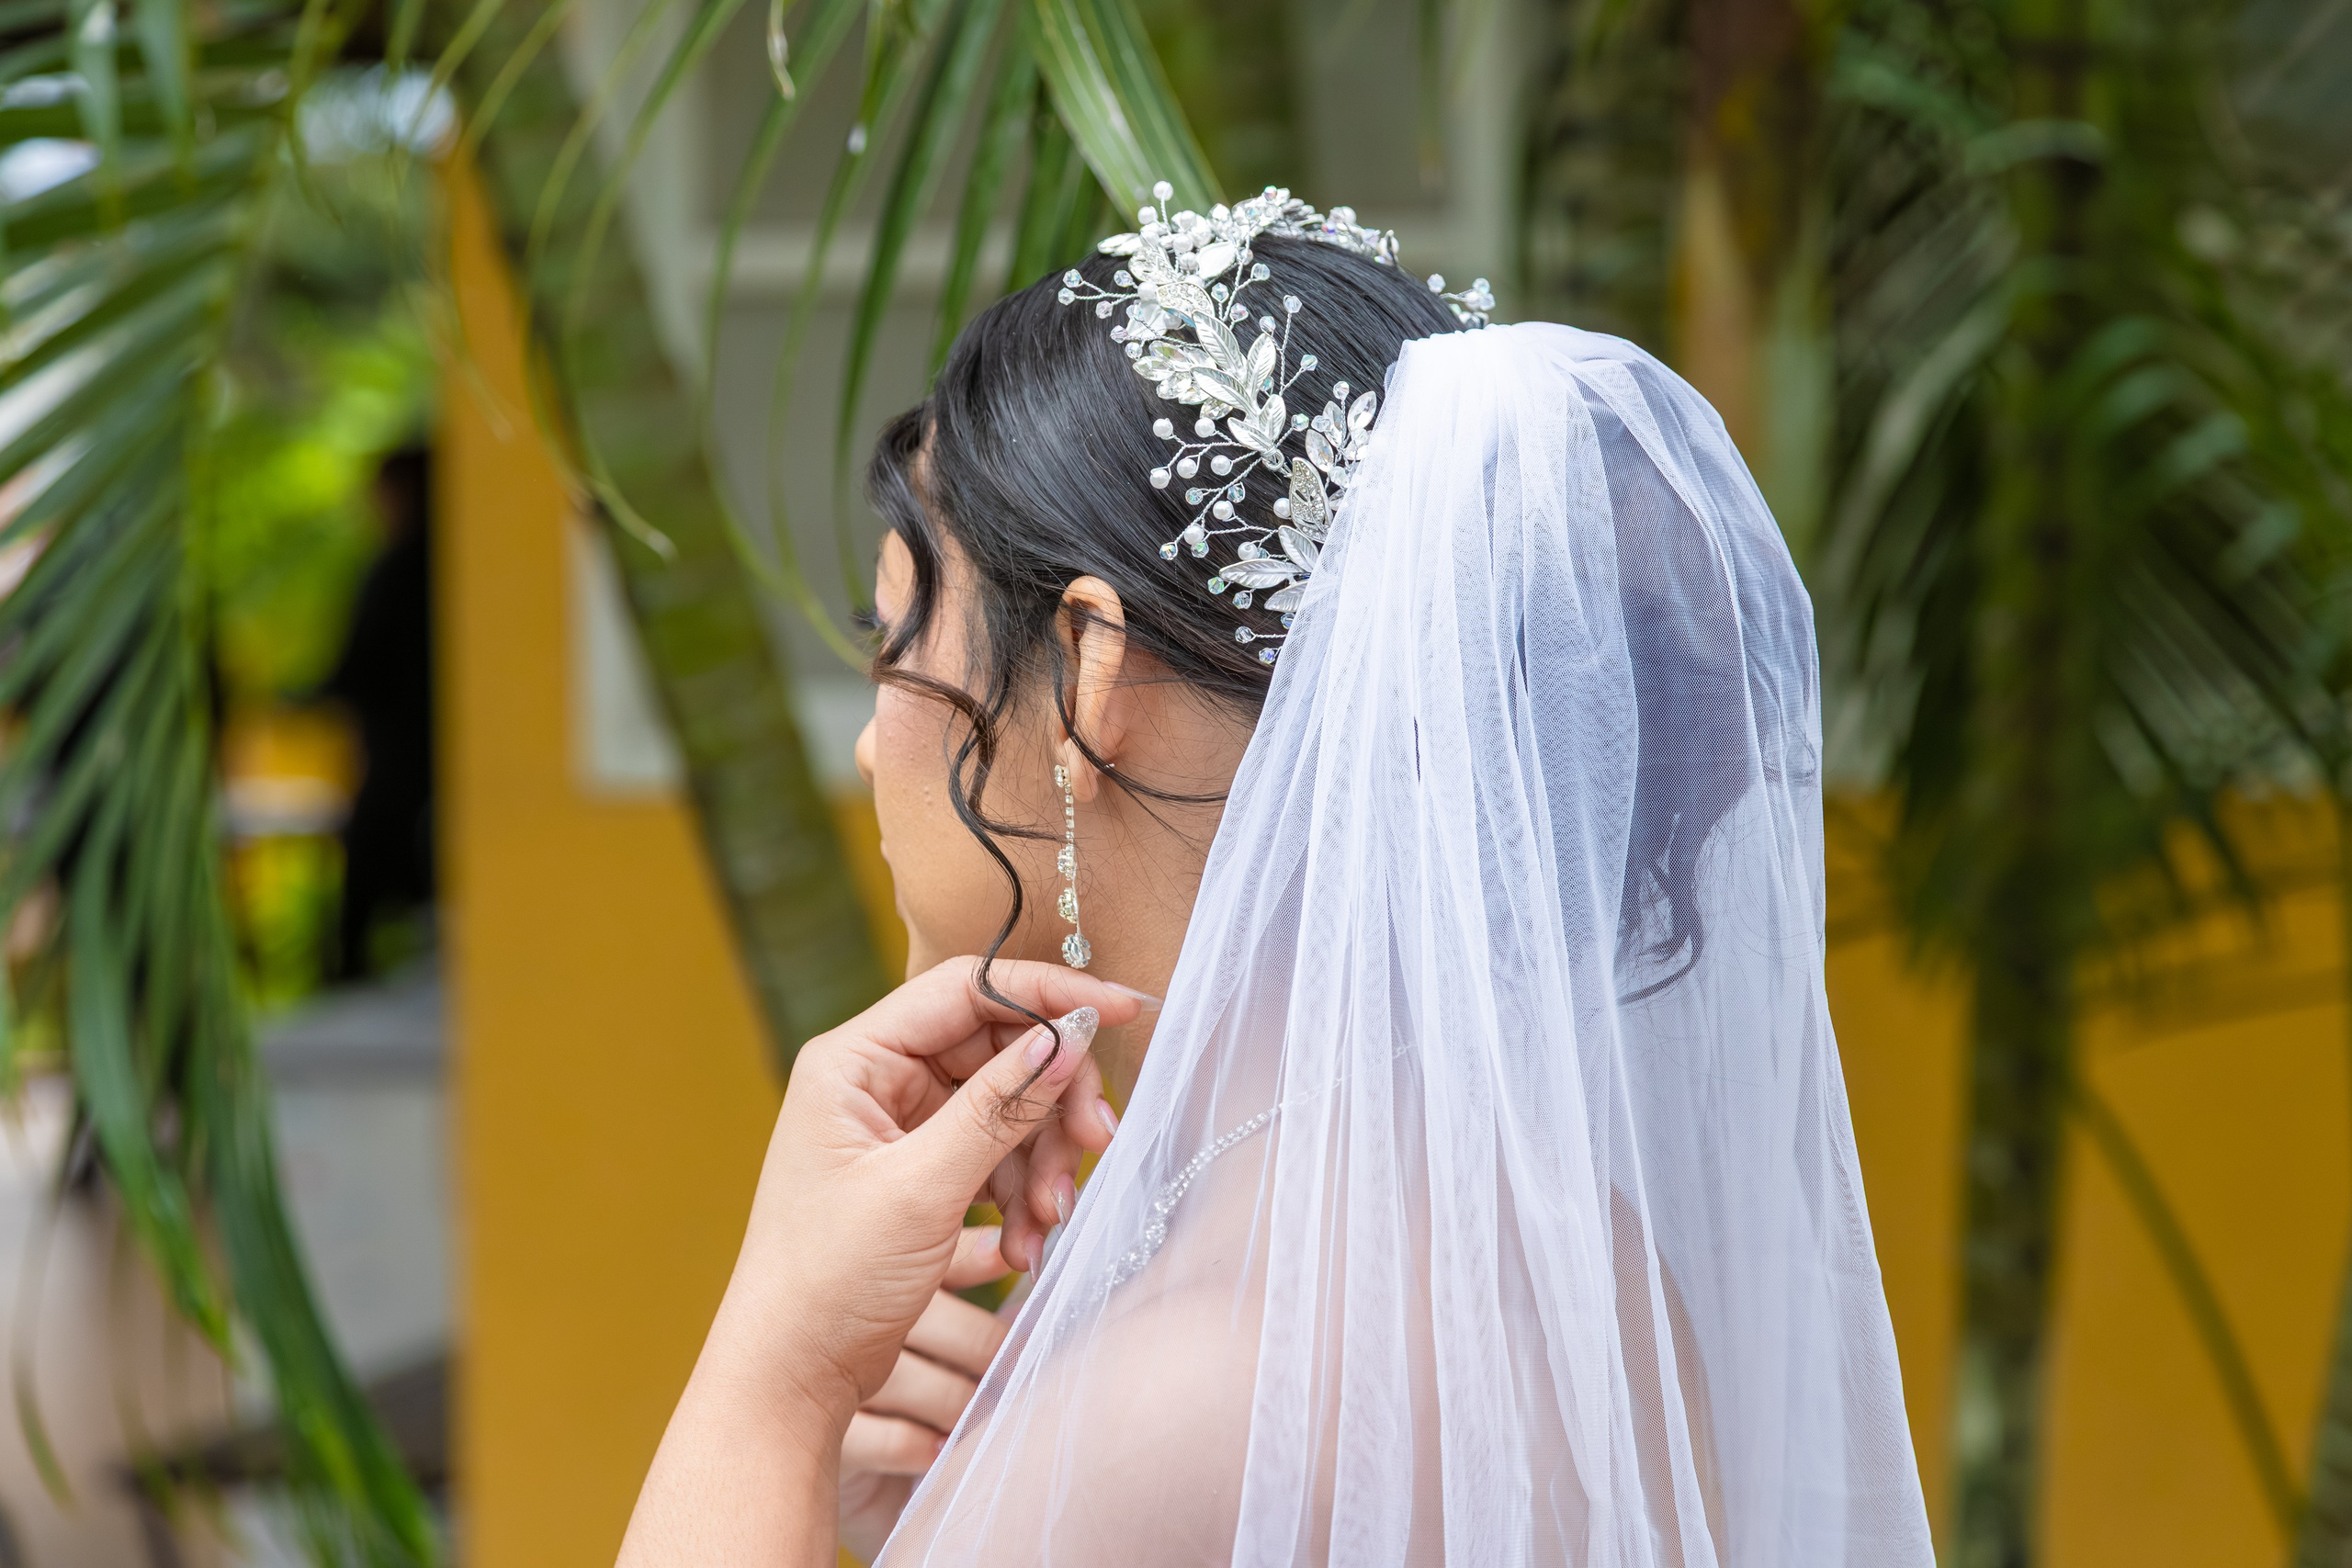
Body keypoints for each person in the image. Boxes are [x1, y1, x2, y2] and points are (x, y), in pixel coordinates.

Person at [619, 188, 1934, 1567]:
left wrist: (775, 1378)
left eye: (895, 641)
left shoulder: (1188, 1388)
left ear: (1089, 668)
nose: (868, 732)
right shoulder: (1562, 1259)